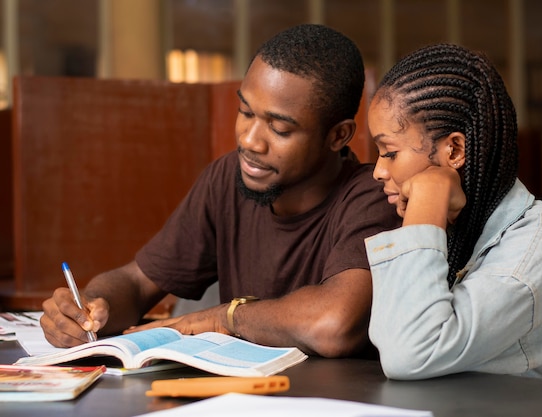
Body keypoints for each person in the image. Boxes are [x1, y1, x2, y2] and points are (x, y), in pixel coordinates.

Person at [40, 24, 400, 358]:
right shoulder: (229, 178)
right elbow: (136, 282)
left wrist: (224, 318)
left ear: (338, 136)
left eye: (279, 129)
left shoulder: (375, 195)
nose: (249, 140)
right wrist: (90, 306)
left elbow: (333, 325)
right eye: (245, 111)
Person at [365, 43, 542, 386]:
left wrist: (429, 194)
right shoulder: (455, 227)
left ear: (454, 150)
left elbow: (409, 353)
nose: (378, 171)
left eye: (390, 153)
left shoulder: (537, 247)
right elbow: (387, 334)